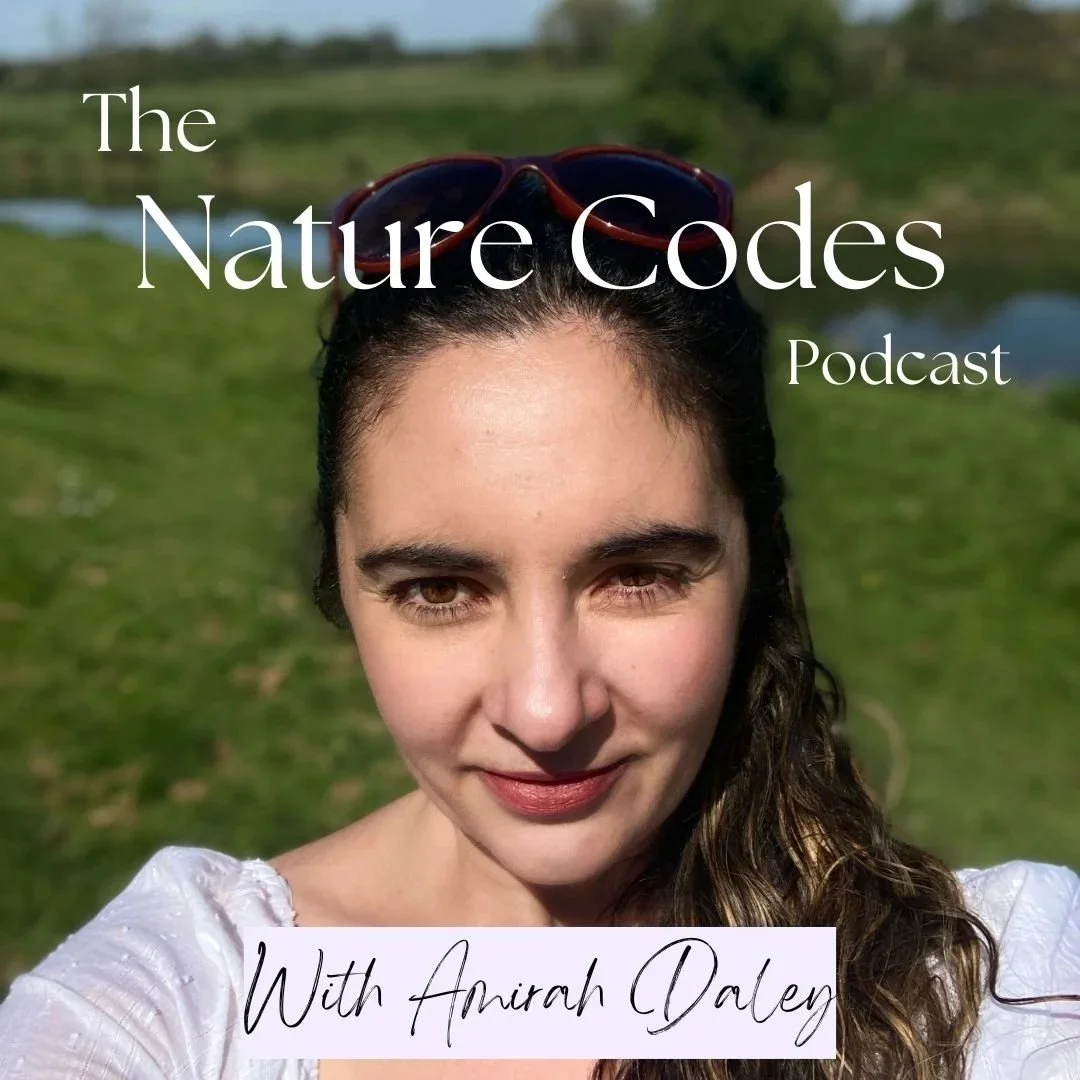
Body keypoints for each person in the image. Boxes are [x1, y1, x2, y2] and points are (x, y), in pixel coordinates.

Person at [0, 148, 1076, 1080]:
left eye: (642, 574)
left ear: (757, 555)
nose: (548, 710)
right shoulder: (193, 990)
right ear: (339, 575)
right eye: (439, 590)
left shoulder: (992, 986)